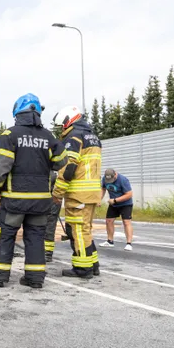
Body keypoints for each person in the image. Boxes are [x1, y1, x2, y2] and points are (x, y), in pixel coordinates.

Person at [0, 93, 67, 289]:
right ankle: (35, 278)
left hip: (15, 200)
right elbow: (61, 162)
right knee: (35, 238)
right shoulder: (48, 136)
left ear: (17, 112)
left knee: (4, 235)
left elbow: (0, 168)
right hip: (40, 201)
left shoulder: (9, 135)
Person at [51, 105, 103, 279]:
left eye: (62, 125)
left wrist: (57, 193)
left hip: (78, 193)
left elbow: (68, 168)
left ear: (68, 121)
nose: (62, 129)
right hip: (91, 192)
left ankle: (83, 268)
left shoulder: (74, 137)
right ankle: (93, 264)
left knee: (78, 231)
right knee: (86, 229)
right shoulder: (92, 137)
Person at [100, 168, 134, 251]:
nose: (110, 181)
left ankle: (129, 243)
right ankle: (110, 241)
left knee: (126, 222)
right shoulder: (105, 179)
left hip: (125, 204)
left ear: (115, 174)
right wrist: (99, 199)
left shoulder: (123, 180)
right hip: (113, 204)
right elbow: (103, 189)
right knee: (109, 221)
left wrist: (115, 200)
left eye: (112, 179)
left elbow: (129, 194)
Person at [44, 170, 62, 262]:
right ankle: (47, 252)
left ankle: (47, 253)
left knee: (48, 228)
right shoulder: (54, 174)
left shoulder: (49, 174)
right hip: (54, 202)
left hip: (51, 203)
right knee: (50, 228)